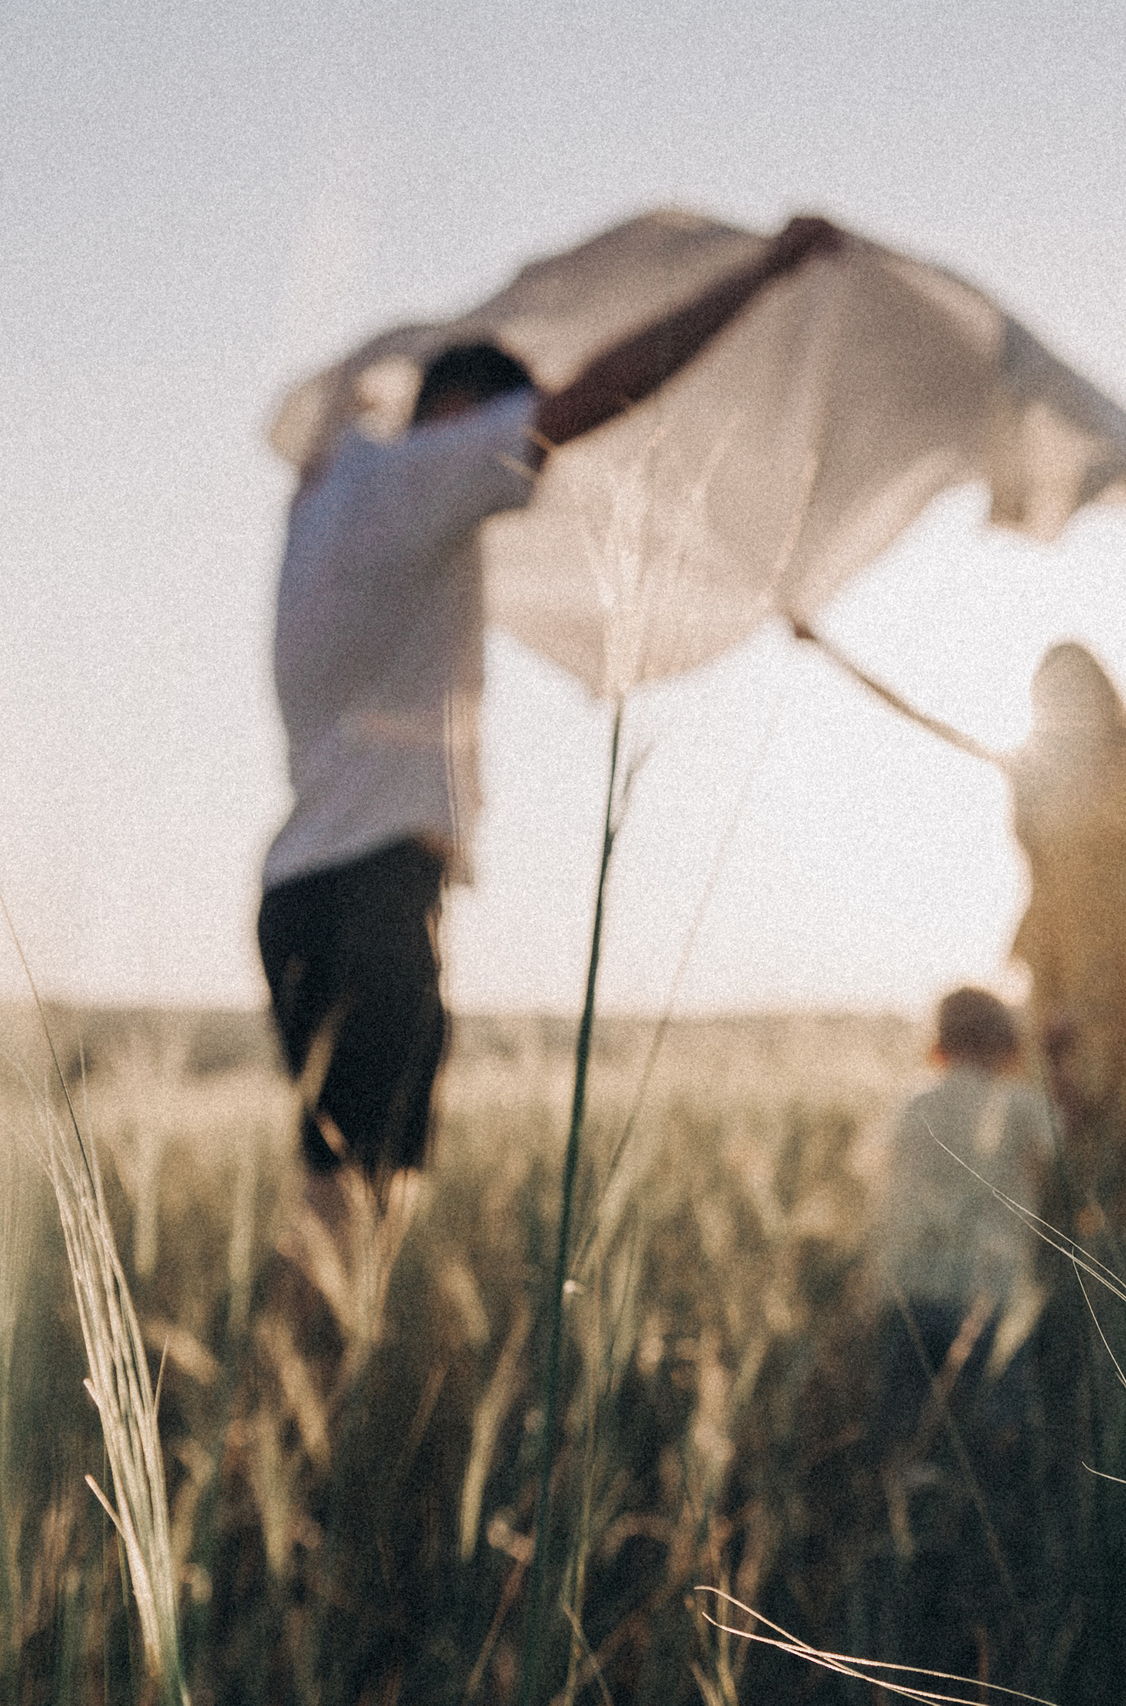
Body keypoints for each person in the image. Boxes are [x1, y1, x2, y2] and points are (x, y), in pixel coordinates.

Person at [259, 215, 843, 1230]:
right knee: (367, 1201)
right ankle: (329, 1382)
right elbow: (596, 395)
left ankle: (305, 1381)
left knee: (330, 1180)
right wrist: (763, 272)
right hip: (377, 882)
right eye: (500, 414)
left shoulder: (326, 486)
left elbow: (338, 400)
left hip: (297, 887)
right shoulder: (423, 470)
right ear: (460, 410)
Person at [793, 581, 1126, 1213]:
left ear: (1100, 691)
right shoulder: (1030, 766)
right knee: (1046, 1092)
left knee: (1115, 1091)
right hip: (1045, 953)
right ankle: (1050, 1241)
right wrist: (830, 649)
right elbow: (921, 713)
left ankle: (1123, 1245)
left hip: (1108, 953)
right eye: (1051, 692)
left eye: (1074, 687)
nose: (1063, 701)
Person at [870, 987, 1057, 1461]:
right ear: (1008, 1045)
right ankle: (975, 1513)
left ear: (938, 1045)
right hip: (987, 1293)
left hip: (908, 1291)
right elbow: (1059, 1151)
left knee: (904, 1426)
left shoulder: (914, 1104)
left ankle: (904, 1501)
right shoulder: (1022, 1106)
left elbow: (878, 1171)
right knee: (991, 1434)